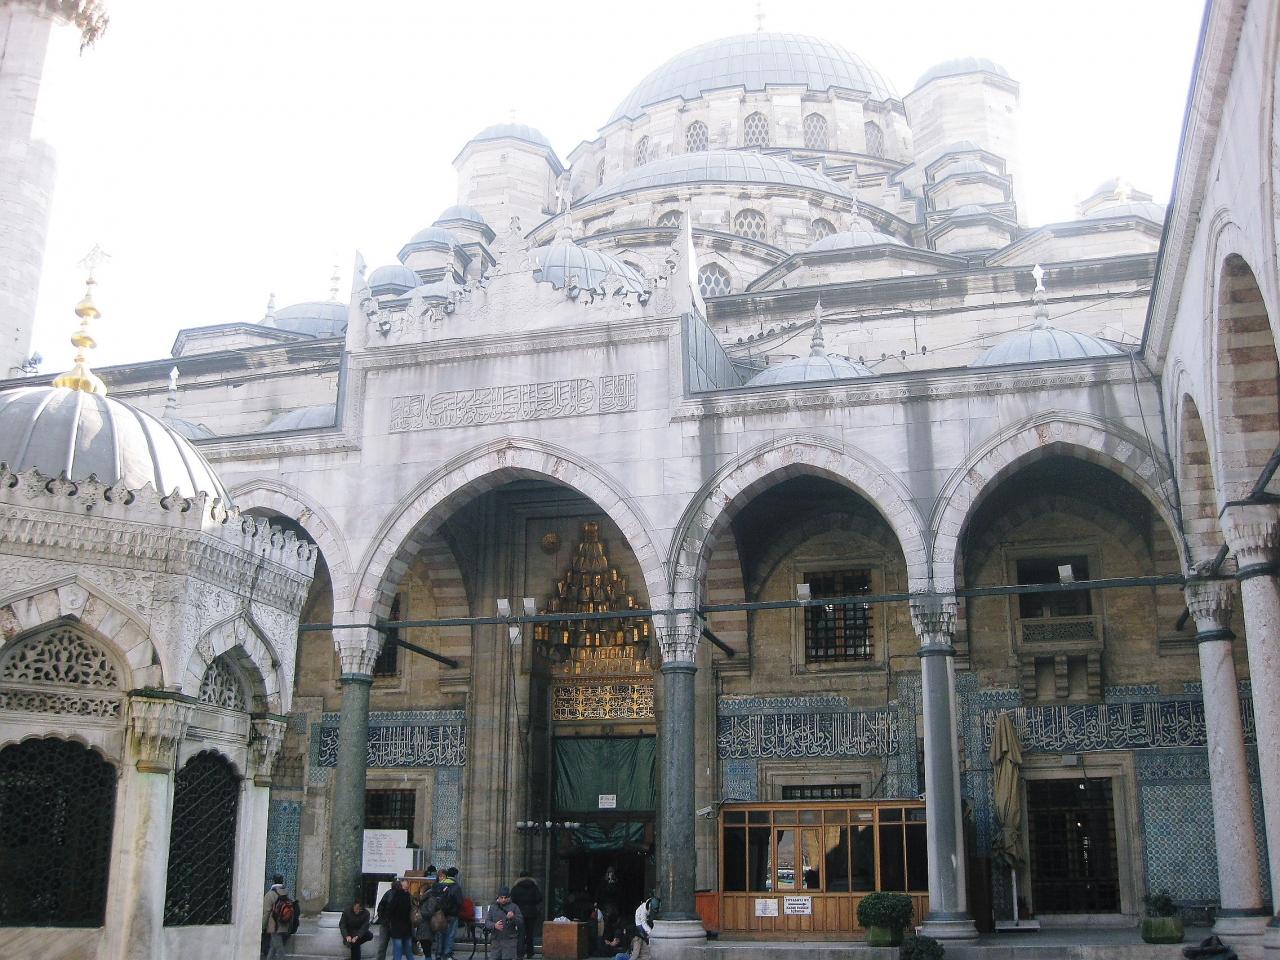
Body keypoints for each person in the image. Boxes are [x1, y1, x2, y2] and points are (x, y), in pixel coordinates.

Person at [427, 866, 462, 960]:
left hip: (440, 914)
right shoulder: (456, 886)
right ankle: (447, 954)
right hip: (452, 914)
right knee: (450, 935)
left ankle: (439, 954)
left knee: (440, 935)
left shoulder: (437, 885)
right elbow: (460, 901)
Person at [509, 869, 542, 959]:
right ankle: (530, 953)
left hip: (519, 913)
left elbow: (512, 900)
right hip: (531, 913)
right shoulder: (534, 887)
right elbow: (539, 898)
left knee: (521, 934)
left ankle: (520, 954)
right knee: (530, 934)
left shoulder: (516, 888)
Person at [484, 886, 525, 960]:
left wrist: (513, 917)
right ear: (498, 897)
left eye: (505, 897)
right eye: (501, 897)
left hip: (509, 942)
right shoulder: (493, 907)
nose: (503, 899)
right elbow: (487, 922)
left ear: (508, 897)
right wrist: (494, 925)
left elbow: (521, 922)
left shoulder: (514, 907)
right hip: (496, 942)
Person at [262, 875, 294, 960]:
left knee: (279, 948)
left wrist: (263, 926)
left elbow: (267, 912)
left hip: (274, 925)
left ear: (274, 881)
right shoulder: (286, 893)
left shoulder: (270, 894)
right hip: (284, 923)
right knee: (273, 946)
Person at [384, 879, 416, 960]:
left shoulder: (395, 896)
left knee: (398, 951)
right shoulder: (409, 896)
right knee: (409, 951)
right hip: (407, 927)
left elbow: (389, 911)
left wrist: (387, 920)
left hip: (397, 928)